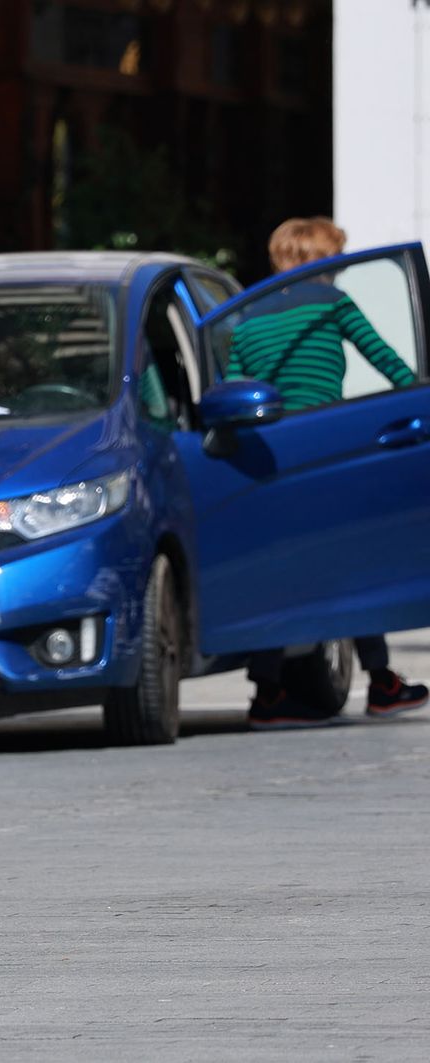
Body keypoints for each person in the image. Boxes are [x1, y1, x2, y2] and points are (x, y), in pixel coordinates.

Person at [228, 217, 428, 730]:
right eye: (334, 261)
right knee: (354, 564)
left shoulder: (246, 316)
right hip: (321, 444)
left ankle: (268, 693)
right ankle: (382, 684)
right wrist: (416, 400)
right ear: (319, 262)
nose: (339, 275)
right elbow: (383, 357)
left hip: (268, 455)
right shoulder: (330, 303)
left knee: (281, 571)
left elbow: (231, 385)